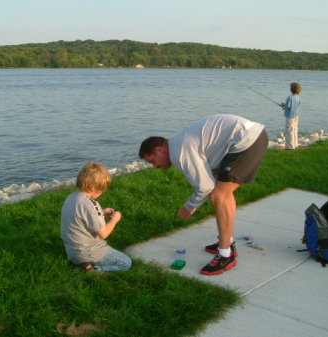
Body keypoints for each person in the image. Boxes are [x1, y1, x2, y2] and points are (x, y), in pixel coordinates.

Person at [139, 114, 268, 276]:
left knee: (218, 196)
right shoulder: (180, 143)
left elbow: (205, 187)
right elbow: (208, 180)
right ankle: (226, 242)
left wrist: (188, 207)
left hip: (247, 141)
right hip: (250, 136)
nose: (154, 166)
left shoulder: (179, 152)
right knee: (223, 194)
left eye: (152, 161)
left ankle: (225, 255)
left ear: (159, 150)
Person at [61, 161, 132, 272]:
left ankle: (84, 264)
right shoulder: (91, 205)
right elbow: (104, 234)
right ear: (94, 187)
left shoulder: (71, 198)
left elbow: (81, 217)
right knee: (125, 263)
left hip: (72, 252)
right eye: (101, 190)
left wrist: (102, 213)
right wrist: (115, 219)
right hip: (89, 252)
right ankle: (94, 270)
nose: (102, 193)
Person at [281, 82, 302, 150]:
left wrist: (283, 106)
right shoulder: (298, 97)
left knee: (289, 131)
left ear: (292, 89)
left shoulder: (290, 97)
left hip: (290, 116)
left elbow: (287, 107)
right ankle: (295, 144)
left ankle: (290, 147)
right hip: (296, 115)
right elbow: (298, 106)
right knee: (295, 130)